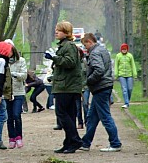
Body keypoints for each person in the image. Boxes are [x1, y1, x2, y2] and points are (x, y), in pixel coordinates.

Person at [44, 21, 83, 154]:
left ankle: (75, 139)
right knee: (70, 115)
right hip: (66, 84)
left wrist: (54, 58)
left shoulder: (69, 46)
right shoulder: (65, 45)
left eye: (59, 30)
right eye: (56, 29)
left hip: (66, 86)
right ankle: (69, 143)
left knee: (61, 113)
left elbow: (70, 62)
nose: (56, 32)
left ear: (66, 33)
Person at [79, 33, 122, 152]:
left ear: (89, 42)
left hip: (100, 87)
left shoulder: (95, 53)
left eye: (85, 45)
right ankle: (85, 143)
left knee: (105, 116)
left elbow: (99, 70)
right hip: (105, 86)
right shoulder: (103, 50)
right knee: (92, 117)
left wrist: (89, 80)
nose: (85, 48)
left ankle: (115, 143)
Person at [5, 39, 27, 149]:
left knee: (16, 115)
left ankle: (19, 137)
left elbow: (24, 75)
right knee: (9, 117)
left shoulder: (21, 61)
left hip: (18, 92)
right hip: (7, 92)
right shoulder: (3, 62)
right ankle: (11, 138)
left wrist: (13, 74)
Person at [115, 43, 137, 109]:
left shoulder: (130, 56)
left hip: (129, 75)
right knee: (124, 89)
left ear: (127, 49)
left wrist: (134, 74)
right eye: (123, 49)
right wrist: (116, 74)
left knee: (129, 89)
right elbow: (116, 65)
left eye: (125, 49)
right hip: (121, 75)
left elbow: (133, 65)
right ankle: (126, 103)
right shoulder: (118, 56)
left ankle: (127, 100)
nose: (124, 50)